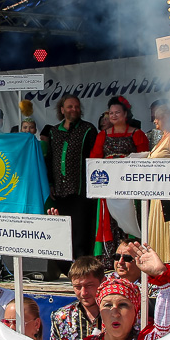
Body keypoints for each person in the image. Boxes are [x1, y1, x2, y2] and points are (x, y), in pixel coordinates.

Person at [90, 96, 150, 259]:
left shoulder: (137, 134)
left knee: (130, 216)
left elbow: (145, 158)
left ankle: (133, 255)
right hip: (108, 184)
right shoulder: (102, 135)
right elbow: (94, 159)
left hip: (129, 184)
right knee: (108, 219)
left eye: (117, 112)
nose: (113, 116)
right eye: (111, 113)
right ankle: (110, 257)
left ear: (126, 114)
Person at [46, 95, 98, 269]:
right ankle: (64, 267)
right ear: (62, 109)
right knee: (62, 228)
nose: (73, 110)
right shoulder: (54, 131)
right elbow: (51, 159)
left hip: (80, 190)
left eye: (76, 107)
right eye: (69, 107)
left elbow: (94, 158)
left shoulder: (87, 129)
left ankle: (83, 268)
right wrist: (51, 184)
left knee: (81, 231)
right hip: (60, 191)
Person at [145, 105, 170, 265]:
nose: (155, 121)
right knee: (156, 229)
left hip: (168, 192)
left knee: (168, 229)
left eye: (158, 117)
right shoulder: (161, 137)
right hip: (156, 192)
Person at [50, 256, 105, 340]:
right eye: (77, 287)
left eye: (89, 286)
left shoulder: (114, 315)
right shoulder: (60, 317)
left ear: (103, 282)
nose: (83, 293)